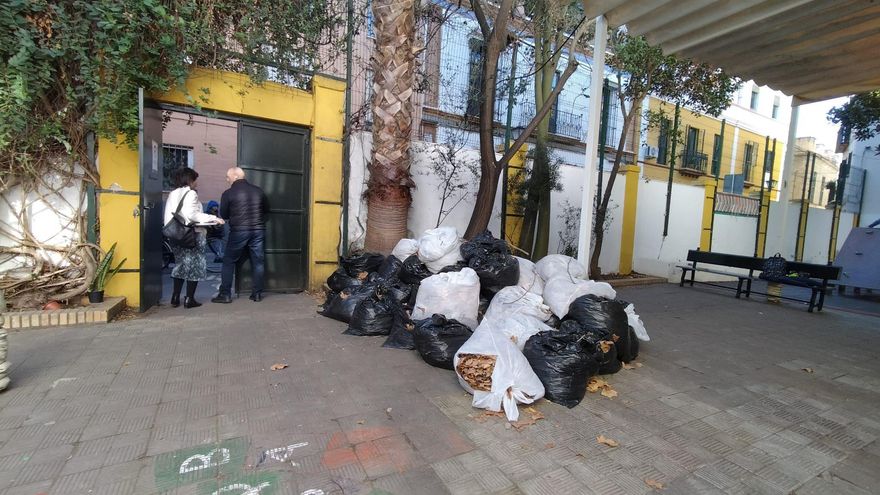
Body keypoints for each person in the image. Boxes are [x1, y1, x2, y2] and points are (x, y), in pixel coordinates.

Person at [164, 168, 224, 308]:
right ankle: (189, 299)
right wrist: (214, 218)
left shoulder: (173, 193)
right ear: (190, 179)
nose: (197, 182)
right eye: (195, 179)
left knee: (180, 264)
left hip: (175, 234)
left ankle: (175, 297)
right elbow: (192, 215)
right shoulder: (190, 193)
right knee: (196, 265)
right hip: (192, 235)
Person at [212, 167, 269, 303]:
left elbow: (224, 215)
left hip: (238, 231)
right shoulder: (258, 191)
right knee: (258, 262)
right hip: (258, 231)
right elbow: (267, 210)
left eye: (228, 176)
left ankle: (225, 294)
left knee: (228, 261)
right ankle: (257, 294)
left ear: (236, 176)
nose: (227, 179)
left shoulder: (228, 193)